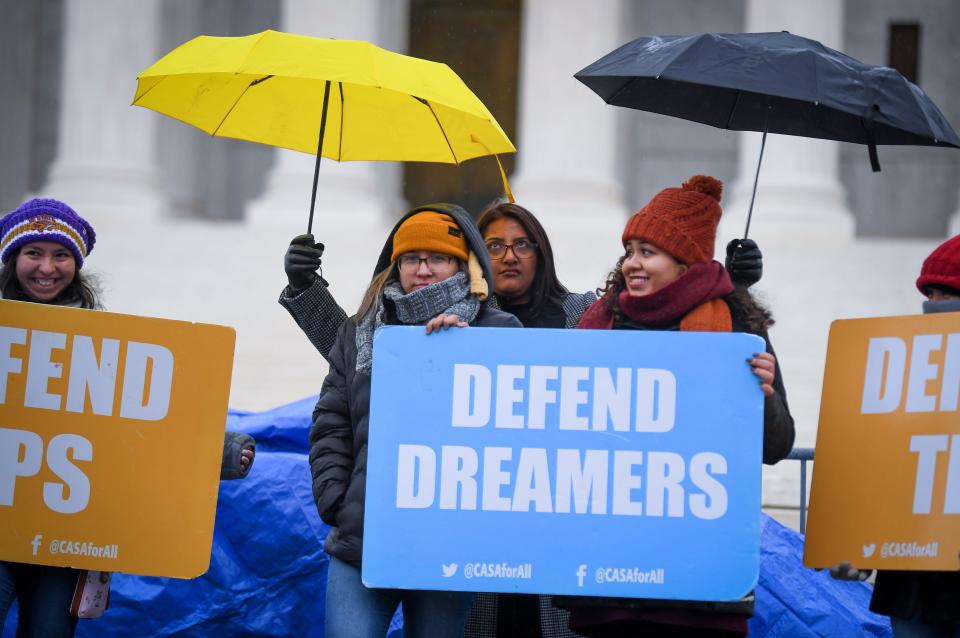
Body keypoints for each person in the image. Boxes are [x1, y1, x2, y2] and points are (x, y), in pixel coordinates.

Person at [281, 200, 763, 638]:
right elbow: (353, 381)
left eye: (521, 244)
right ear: (478, 256)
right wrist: (307, 291)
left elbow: (653, 348)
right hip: (448, 547)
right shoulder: (405, 325)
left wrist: (734, 295)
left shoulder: (581, 317)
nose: (508, 255)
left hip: (542, 541)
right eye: (494, 245)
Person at [0, 198, 255, 636]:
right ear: (12, 260)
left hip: (64, 540)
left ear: (76, 265)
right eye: (33, 253)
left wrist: (224, 452)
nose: (47, 267)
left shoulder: (111, 345)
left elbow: (140, 428)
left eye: (60, 255)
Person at [569, 175, 795, 638]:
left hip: (700, 593)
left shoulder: (735, 327)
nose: (632, 263)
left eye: (647, 252)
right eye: (630, 250)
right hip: (610, 588)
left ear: (684, 261)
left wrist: (765, 396)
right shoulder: (601, 323)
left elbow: (776, 445)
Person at [309, 204, 521, 638]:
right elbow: (332, 421)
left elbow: (513, 431)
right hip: (362, 540)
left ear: (463, 264)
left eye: (437, 258)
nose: (422, 270)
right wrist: (337, 498)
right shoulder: (359, 330)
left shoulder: (499, 331)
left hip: (449, 543)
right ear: (396, 265)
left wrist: (464, 350)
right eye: (410, 259)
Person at [830, 233, 960, 638]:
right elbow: (888, 466)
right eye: (931, 293)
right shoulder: (903, 373)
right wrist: (861, 543)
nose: (935, 304)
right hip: (916, 579)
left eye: (951, 293)